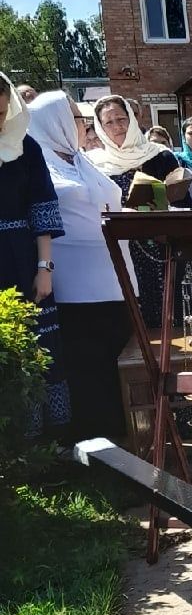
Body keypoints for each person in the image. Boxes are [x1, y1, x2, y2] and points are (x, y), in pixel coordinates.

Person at [27, 91, 136, 444]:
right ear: (55, 122)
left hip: (114, 277)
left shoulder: (80, 159)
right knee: (90, 368)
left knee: (117, 360)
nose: (84, 126)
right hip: (77, 286)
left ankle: (127, 438)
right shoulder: (38, 161)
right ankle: (99, 447)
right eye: (77, 118)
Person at [0, 72, 69, 433]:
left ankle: (43, 442)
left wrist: (45, 268)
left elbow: (42, 208)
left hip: (21, 257)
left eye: (0, 113)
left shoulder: (26, 148)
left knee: (37, 346)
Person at [87, 94, 187, 327]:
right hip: (119, 250)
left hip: (161, 248)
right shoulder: (96, 164)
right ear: (100, 128)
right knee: (130, 317)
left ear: (131, 119)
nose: (117, 127)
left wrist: (163, 205)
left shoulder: (160, 156)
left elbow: (182, 200)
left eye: (121, 119)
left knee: (166, 316)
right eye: (108, 122)